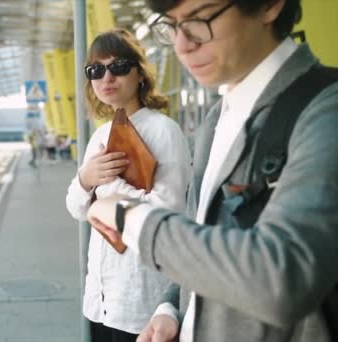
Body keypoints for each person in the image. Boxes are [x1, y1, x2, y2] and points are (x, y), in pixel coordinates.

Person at [86, 1, 338, 342]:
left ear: (269, 6)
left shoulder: (324, 111)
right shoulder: (216, 120)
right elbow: (200, 234)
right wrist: (172, 307)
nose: (182, 44)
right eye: (172, 26)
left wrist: (127, 215)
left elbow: (283, 279)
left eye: (199, 19)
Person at [65, 28, 192, 341]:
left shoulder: (163, 131)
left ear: (140, 74)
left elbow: (169, 211)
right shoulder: (100, 134)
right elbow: (76, 208)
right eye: (96, 70)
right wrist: (86, 179)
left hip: (142, 298)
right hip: (101, 295)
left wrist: (106, 200)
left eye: (118, 67)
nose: (106, 78)